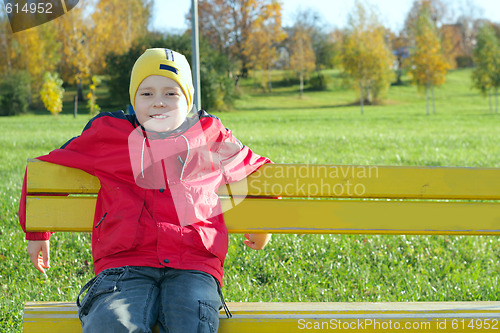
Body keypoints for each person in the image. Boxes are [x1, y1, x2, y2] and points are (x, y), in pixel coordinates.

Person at [19, 48, 272, 332]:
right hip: (124, 264)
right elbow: (46, 169)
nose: (158, 103)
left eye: (171, 94)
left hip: (192, 265)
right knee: (111, 323)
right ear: (133, 99)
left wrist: (261, 226)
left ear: (188, 101)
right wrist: (37, 230)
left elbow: (260, 170)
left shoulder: (210, 134)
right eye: (147, 93)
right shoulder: (109, 134)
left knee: (191, 324)